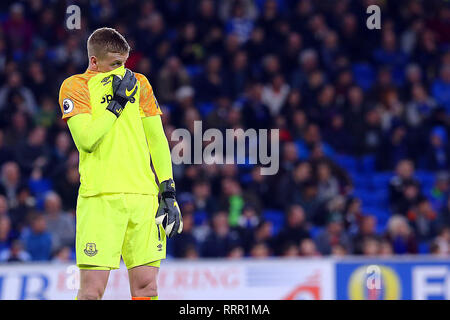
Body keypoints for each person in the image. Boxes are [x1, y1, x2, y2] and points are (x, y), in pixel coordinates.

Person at [58, 28, 183, 300]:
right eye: (115, 64)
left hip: (144, 199)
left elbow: (157, 140)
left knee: (147, 288)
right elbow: (87, 140)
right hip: (100, 200)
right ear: (94, 61)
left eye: (125, 63)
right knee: (92, 292)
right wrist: (116, 103)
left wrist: (168, 193)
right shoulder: (75, 86)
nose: (122, 70)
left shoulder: (139, 83)